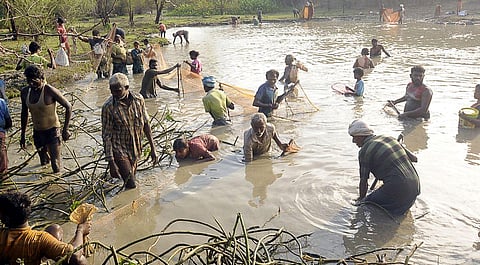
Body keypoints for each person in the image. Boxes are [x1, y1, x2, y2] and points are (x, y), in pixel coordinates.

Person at [348, 119, 420, 216]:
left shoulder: (365, 151)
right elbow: (414, 158)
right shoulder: (389, 138)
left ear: (361, 136)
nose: (353, 141)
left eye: (354, 138)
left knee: (367, 204)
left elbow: (363, 180)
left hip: (400, 188)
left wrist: (361, 199)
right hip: (416, 187)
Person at [0, 191, 92, 265]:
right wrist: (80, 230)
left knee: (54, 230)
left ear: (5, 219)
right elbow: (75, 256)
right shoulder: (39, 239)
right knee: (81, 260)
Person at [102, 73, 157, 189]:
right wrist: (111, 162)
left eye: (117, 91)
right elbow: (106, 136)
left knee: (132, 177)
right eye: (112, 91)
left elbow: (146, 123)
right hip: (119, 148)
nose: (114, 94)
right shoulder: (108, 107)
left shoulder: (139, 100)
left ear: (126, 88)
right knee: (131, 184)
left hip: (135, 147)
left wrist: (153, 148)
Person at [20, 65, 72, 173]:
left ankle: (56, 185)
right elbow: (24, 114)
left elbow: (68, 106)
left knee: (55, 165)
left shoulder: (49, 90)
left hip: (52, 131)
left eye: (35, 81)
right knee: (43, 162)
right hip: (38, 132)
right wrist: (23, 135)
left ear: (42, 79)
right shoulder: (25, 92)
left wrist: (65, 129)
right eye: (29, 81)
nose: (31, 84)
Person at [0, 95, 12, 176]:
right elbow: (8, 120)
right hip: (0, 131)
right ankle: (3, 172)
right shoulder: (1, 102)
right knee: (1, 150)